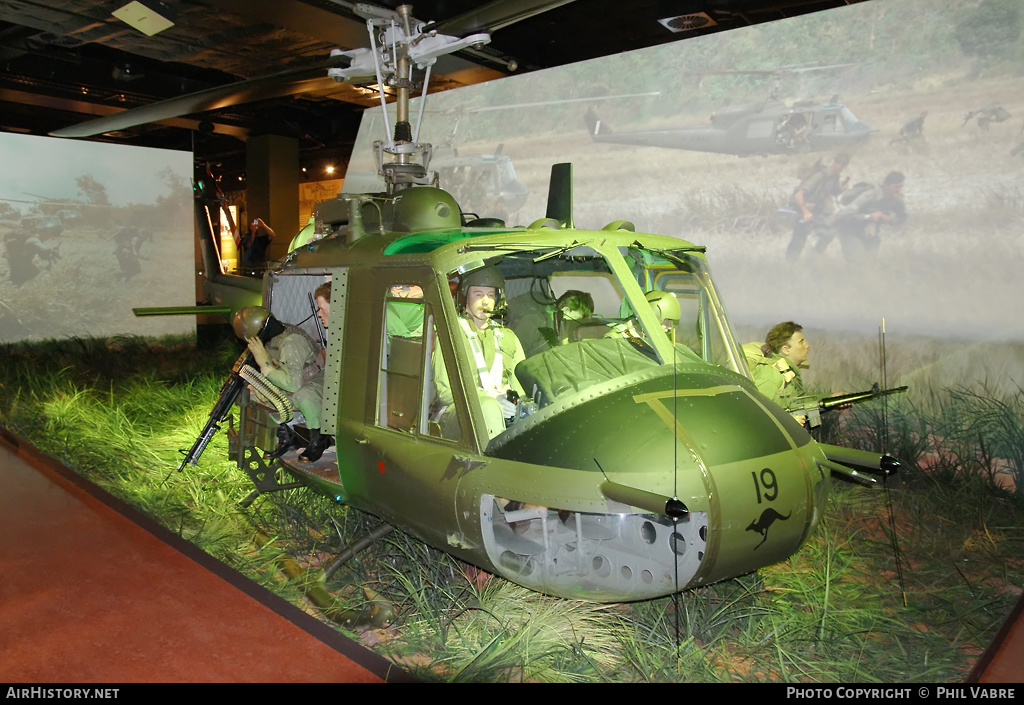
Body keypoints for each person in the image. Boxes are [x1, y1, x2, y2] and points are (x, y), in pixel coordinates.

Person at [433, 266, 526, 439]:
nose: (485, 302)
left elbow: (520, 385)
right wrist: (491, 400)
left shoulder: (508, 337)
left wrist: (517, 403)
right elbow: (446, 393)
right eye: (478, 294)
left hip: (501, 412)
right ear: (465, 297)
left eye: (491, 295)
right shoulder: (449, 334)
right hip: (458, 414)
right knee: (489, 407)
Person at [232, 305, 332, 462]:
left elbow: (292, 385)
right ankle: (287, 437)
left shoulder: (291, 341)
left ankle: (320, 437)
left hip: (320, 377)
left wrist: (265, 365)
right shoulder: (271, 338)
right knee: (253, 392)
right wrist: (259, 385)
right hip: (298, 378)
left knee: (303, 395)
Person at [830, 170, 907, 261]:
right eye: (896, 187)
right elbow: (843, 215)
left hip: (870, 233)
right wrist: (868, 217)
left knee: (870, 264)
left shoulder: (897, 199)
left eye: (901, 186)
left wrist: (891, 220)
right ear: (887, 186)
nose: (899, 190)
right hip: (850, 231)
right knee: (857, 262)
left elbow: (903, 216)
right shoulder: (869, 196)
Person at [786, 153, 850, 261]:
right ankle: (790, 263)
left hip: (817, 210)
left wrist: (841, 189)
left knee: (829, 233)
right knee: (799, 239)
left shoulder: (835, 176)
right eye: (839, 164)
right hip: (802, 208)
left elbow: (832, 192)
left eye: (843, 165)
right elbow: (798, 195)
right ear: (834, 162)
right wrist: (805, 212)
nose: (840, 167)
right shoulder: (820, 175)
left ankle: (814, 257)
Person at [743, 321, 812, 413]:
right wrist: (791, 420)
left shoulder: (788, 373)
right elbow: (754, 412)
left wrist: (830, 397)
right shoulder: (772, 375)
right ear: (786, 350)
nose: (807, 346)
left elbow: (799, 400)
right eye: (801, 342)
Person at [4, 216, 61, 285]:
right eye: (49, 233)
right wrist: (51, 251)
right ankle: (8, 287)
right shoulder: (34, 239)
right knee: (28, 274)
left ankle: (12, 287)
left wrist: (50, 256)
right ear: (43, 232)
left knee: (21, 277)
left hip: (17, 259)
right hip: (19, 260)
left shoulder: (35, 239)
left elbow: (43, 255)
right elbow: (43, 248)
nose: (50, 236)